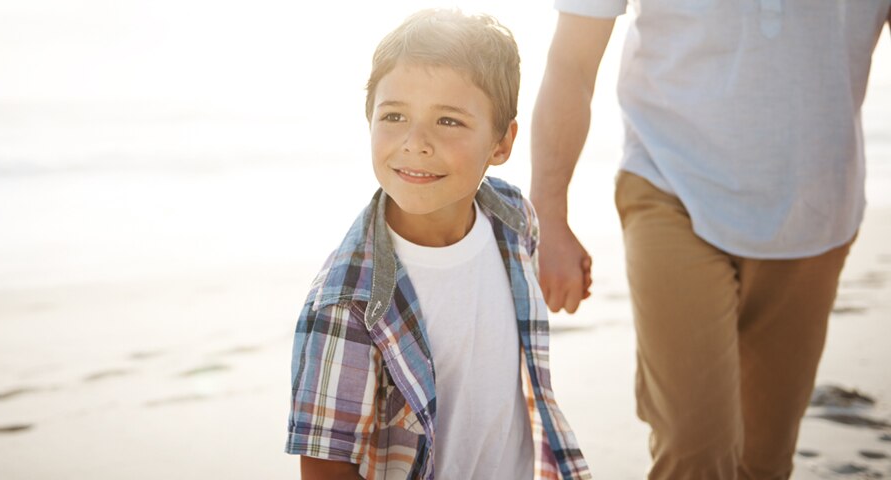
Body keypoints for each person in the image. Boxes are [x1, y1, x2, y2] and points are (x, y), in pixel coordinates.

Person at [530, 1, 891, 478]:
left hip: (816, 207)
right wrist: (549, 218)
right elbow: (571, 63)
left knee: (764, 459)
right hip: (669, 182)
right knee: (693, 445)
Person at [284, 8, 591, 480]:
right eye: (395, 115)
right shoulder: (345, 305)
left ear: (501, 144)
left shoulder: (513, 219)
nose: (415, 142)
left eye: (448, 121)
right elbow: (325, 466)